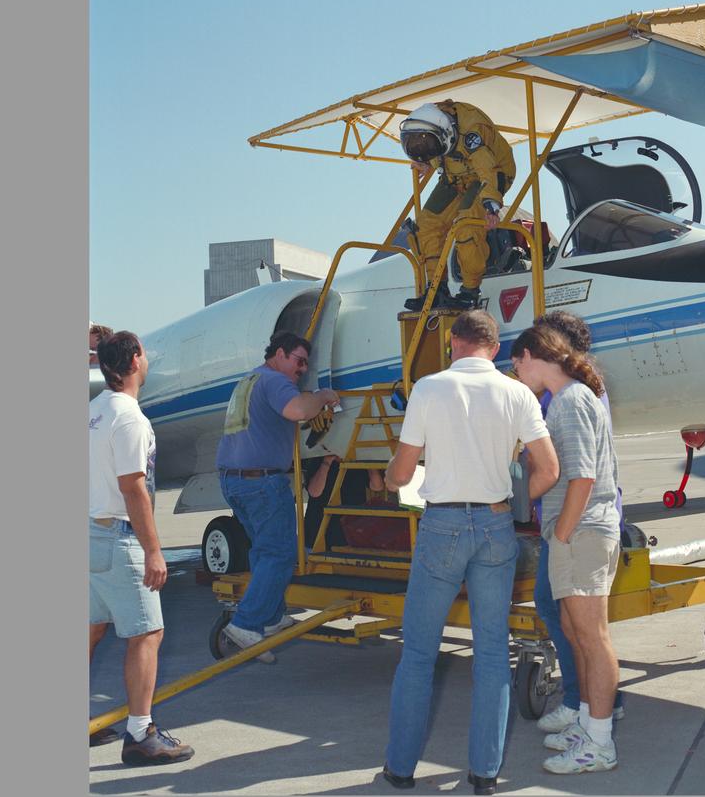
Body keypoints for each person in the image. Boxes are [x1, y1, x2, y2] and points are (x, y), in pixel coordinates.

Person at [381, 310, 560, 795]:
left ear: (452, 342)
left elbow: (403, 472)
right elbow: (548, 469)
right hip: (496, 525)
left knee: (419, 653)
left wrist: (391, 479)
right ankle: (484, 774)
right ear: (494, 347)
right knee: (492, 655)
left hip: (442, 524)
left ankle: (401, 769)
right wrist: (513, 506)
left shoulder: (428, 388)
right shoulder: (517, 393)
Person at [510, 325, 622, 774]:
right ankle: (587, 724)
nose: (517, 375)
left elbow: (582, 477)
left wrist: (561, 535)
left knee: (592, 639)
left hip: (581, 533)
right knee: (577, 635)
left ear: (532, 355)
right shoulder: (568, 398)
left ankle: (600, 743)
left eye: (517, 365)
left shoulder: (570, 401)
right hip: (579, 532)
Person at [89, 331, 195, 764]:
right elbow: (133, 487)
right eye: (144, 354)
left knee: (91, 629)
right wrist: (153, 551)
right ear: (135, 360)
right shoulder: (130, 417)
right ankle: (140, 733)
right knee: (148, 633)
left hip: (88, 533)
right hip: (117, 537)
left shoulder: (92, 412)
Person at [215, 331, 340, 663]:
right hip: (262, 483)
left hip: (235, 481)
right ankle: (247, 624)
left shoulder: (251, 380)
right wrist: (322, 396)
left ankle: (271, 617)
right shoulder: (275, 381)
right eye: (299, 361)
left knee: (264, 551)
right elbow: (297, 410)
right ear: (280, 354)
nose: (302, 369)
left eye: (305, 364)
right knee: (280, 553)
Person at [398, 100, 516, 311]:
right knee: (425, 225)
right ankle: (436, 289)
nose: (424, 148)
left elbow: (486, 167)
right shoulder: (439, 132)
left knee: (466, 224)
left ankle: (470, 292)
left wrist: (491, 206)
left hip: (490, 175)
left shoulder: (472, 129)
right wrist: (426, 161)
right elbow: (438, 148)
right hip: (455, 178)